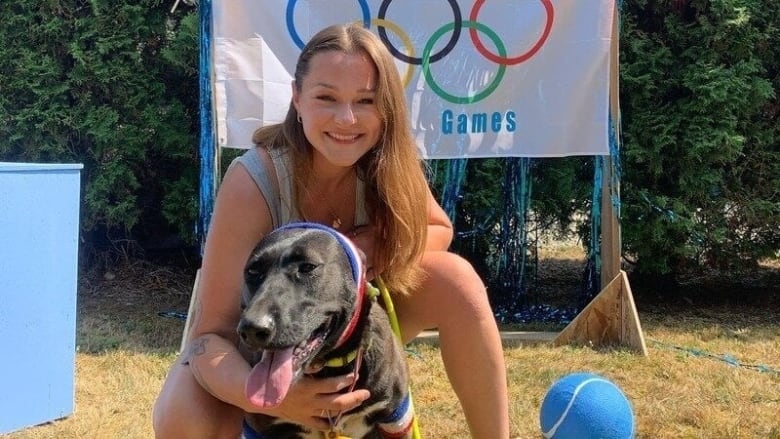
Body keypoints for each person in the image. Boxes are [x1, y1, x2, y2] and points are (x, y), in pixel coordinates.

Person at [152, 23, 509, 439]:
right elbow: (210, 334)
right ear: (297, 98)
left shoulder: (390, 163)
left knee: (458, 280)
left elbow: (437, 228)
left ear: (387, 109)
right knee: (184, 415)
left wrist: (374, 245)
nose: (346, 118)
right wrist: (273, 398)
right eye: (326, 97)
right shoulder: (256, 178)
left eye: (366, 100)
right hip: (257, 338)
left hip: (351, 322)